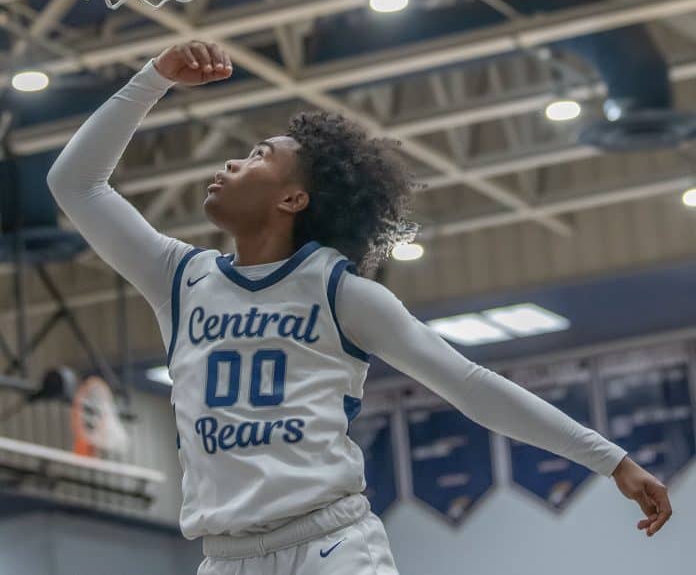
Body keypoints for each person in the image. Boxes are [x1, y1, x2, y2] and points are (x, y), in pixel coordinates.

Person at [47, 39, 672, 575]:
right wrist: (153, 78)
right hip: (224, 556)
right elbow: (74, 183)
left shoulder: (340, 292)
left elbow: (471, 385)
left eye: (259, 155)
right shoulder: (178, 278)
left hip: (329, 542)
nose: (231, 161)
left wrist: (608, 458)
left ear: (293, 198)